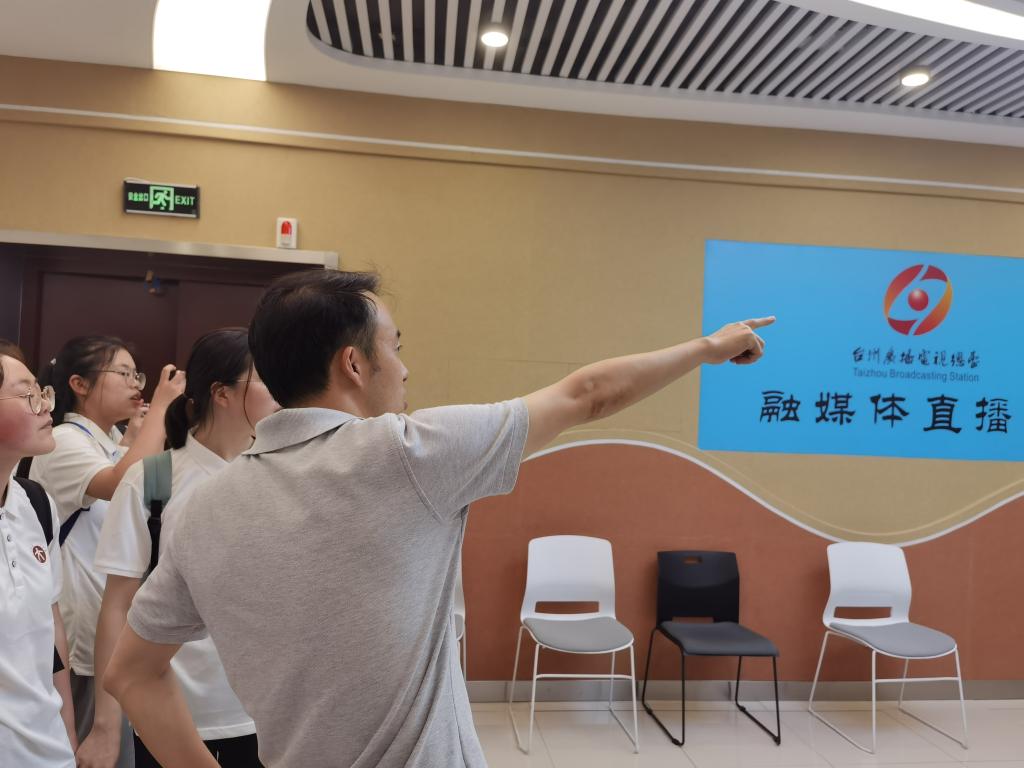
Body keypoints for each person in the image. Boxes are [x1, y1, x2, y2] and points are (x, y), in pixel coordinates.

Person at [105, 270, 773, 768]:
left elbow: (129, 674)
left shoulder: (200, 510)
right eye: (395, 346)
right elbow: (588, 394)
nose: (405, 367)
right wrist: (708, 347)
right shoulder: (406, 456)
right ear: (354, 363)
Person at [93, 328, 278, 767]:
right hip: (171, 713)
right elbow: (118, 605)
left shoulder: (278, 474)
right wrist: (106, 724)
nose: (281, 390)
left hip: (267, 713)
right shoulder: (153, 479)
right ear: (222, 393)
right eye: (265, 378)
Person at [30, 336, 185, 768]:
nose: (136, 383)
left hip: (117, 632)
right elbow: (121, 483)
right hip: (82, 640)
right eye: (123, 373)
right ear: (79, 384)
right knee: (90, 753)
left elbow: (156, 496)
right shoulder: (64, 440)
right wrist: (161, 407)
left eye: (138, 374)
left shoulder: (114, 439)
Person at [0, 351, 76, 766]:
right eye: (28, 394)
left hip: (48, 749)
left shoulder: (36, 502)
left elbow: (51, 629)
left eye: (42, 391)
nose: (46, 404)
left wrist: (67, 733)